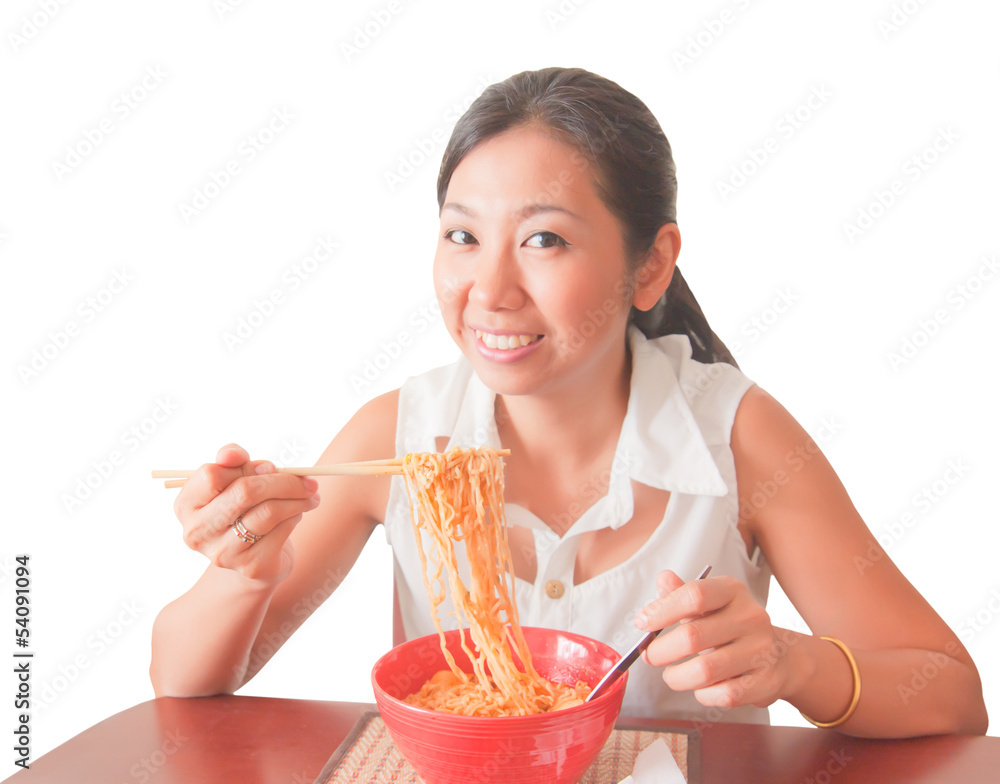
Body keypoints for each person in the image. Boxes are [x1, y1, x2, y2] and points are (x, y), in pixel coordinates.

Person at [150, 67, 988, 736]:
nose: (490, 289)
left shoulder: (737, 437)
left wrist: (796, 665)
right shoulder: (402, 440)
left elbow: (950, 696)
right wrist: (245, 571)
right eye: (461, 236)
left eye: (543, 239)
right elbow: (183, 682)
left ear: (652, 265)